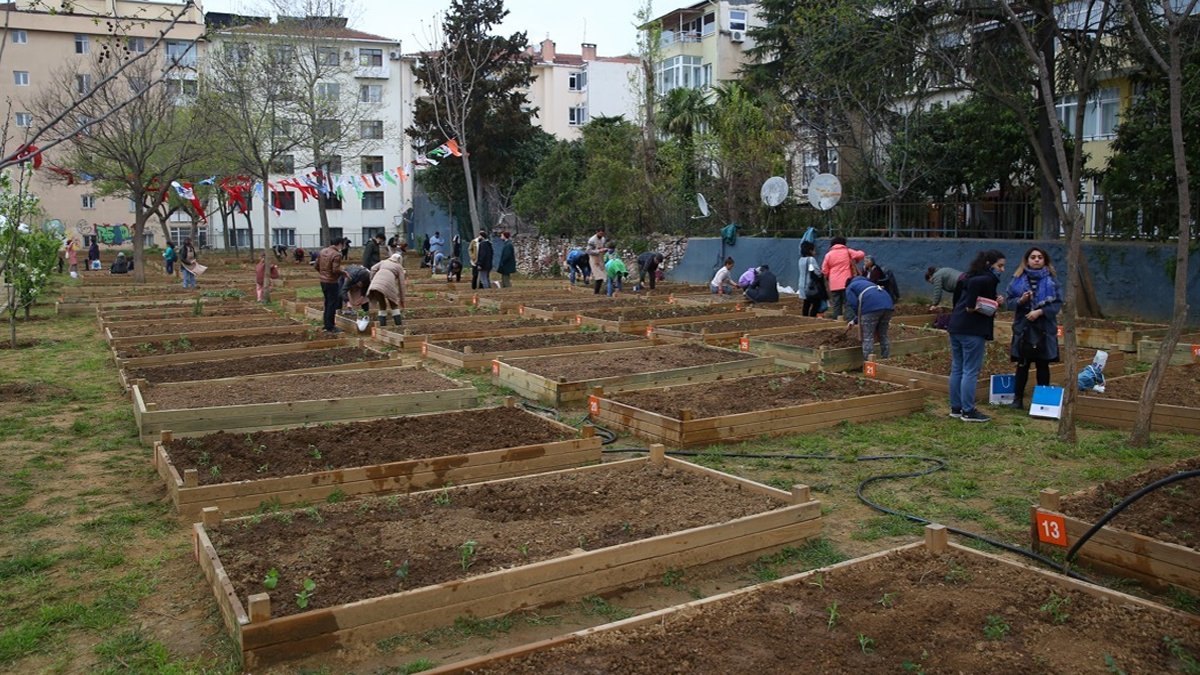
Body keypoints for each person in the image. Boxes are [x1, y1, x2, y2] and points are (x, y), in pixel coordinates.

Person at [947, 249, 1007, 423]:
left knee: (957, 367)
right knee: (970, 370)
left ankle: (956, 408)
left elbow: (960, 300)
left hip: (956, 326)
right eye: (1000, 266)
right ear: (989, 264)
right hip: (972, 330)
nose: (1002, 270)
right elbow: (971, 306)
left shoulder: (968, 277)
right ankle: (968, 410)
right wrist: (995, 304)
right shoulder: (987, 280)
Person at [1005, 246, 1062, 410]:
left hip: (1044, 328)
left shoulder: (1052, 281)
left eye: (1040, 257)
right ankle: (1017, 400)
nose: (1036, 259)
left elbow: (1057, 304)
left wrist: (1040, 311)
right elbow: (1009, 303)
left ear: (1045, 261)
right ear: (1027, 260)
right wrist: (1021, 301)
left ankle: (1042, 402)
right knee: (1022, 364)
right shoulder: (1017, 280)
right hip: (1024, 328)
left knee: (1043, 365)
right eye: (1033, 257)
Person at [845, 275, 895, 361]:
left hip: (871, 308)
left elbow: (853, 304)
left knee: (868, 337)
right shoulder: (871, 284)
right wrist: (854, 321)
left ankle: (869, 363)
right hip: (888, 306)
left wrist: (856, 318)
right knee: (883, 335)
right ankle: (886, 359)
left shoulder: (850, 287)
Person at [821, 236, 866, 321]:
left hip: (834, 284)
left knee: (836, 303)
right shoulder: (847, 251)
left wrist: (828, 276)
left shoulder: (828, 255)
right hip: (847, 282)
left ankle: (837, 319)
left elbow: (824, 270)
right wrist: (855, 259)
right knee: (848, 302)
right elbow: (861, 254)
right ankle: (849, 320)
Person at [368, 252, 406, 327]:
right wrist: (402, 300)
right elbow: (401, 284)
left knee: (382, 305)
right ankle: (399, 326)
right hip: (388, 285)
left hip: (375, 285)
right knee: (394, 305)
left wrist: (372, 280)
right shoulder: (399, 267)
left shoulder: (383, 262)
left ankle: (383, 327)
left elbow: (372, 268)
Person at [316, 238, 344, 333]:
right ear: (339, 244)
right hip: (332, 282)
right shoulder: (337, 255)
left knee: (327, 302)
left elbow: (316, 265)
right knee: (332, 304)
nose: (342, 247)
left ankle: (326, 324)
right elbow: (335, 270)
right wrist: (344, 273)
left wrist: (323, 274)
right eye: (342, 245)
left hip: (323, 281)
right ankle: (331, 326)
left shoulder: (323, 251)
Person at [797, 241, 825, 317]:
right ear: (810, 251)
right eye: (814, 250)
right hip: (810, 285)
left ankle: (804, 318)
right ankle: (812, 317)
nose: (815, 252)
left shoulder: (800, 260)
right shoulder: (811, 259)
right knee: (816, 303)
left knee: (806, 303)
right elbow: (817, 272)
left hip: (802, 285)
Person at [586, 228, 607, 294]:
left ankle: (602, 290)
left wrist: (604, 250)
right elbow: (588, 251)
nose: (601, 234)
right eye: (600, 233)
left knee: (604, 275)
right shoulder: (592, 240)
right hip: (594, 258)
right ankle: (596, 292)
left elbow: (602, 247)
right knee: (599, 276)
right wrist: (598, 251)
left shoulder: (603, 239)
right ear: (597, 232)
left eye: (602, 233)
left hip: (601, 257)